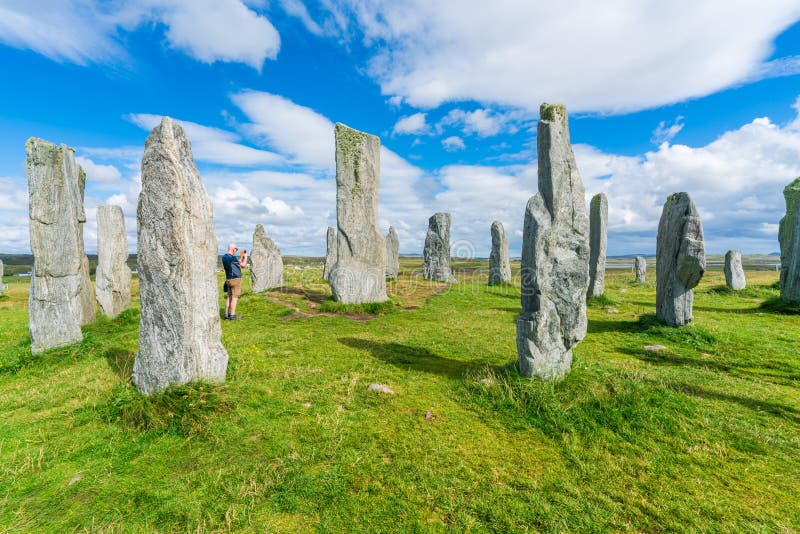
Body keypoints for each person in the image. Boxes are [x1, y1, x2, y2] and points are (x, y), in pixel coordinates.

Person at [221, 243, 247, 320]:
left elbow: (234, 264)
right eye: (236, 249)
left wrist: (240, 259)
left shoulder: (224, 257)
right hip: (235, 279)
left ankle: (226, 314)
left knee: (229, 297)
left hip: (228, 279)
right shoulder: (233, 258)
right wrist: (245, 258)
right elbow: (243, 265)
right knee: (235, 297)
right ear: (233, 249)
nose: (236, 251)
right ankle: (232, 315)